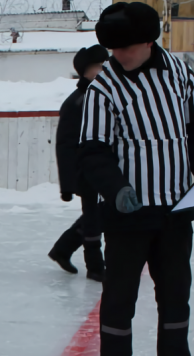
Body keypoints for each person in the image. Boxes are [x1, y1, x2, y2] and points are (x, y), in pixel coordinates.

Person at [78, 2, 194, 356]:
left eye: (127, 47)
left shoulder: (177, 71)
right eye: (112, 49)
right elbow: (92, 151)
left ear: (148, 40)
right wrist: (117, 188)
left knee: (176, 296)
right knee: (120, 300)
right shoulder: (103, 88)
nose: (119, 55)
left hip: (176, 210)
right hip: (128, 215)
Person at [49, 45, 110, 281]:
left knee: (100, 214)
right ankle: (95, 267)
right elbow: (64, 145)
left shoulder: (106, 96)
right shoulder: (77, 102)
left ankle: (62, 249)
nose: (104, 71)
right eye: (99, 67)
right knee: (95, 217)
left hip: (104, 168)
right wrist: (67, 185)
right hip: (86, 171)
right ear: (86, 71)